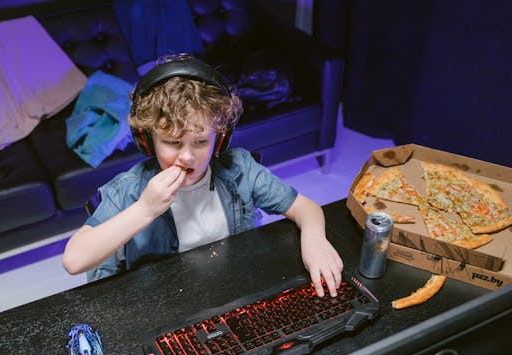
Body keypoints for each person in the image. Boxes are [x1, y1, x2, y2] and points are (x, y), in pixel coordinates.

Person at [62, 55, 344, 296]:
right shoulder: (129, 190)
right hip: (161, 306)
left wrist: (315, 240)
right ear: (147, 141)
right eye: (172, 142)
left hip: (230, 292)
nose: (187, 156)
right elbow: (74, 260)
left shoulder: (240, 170)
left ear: (219, 141)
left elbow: (305, 207)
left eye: (200, 142)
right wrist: (145, 210)